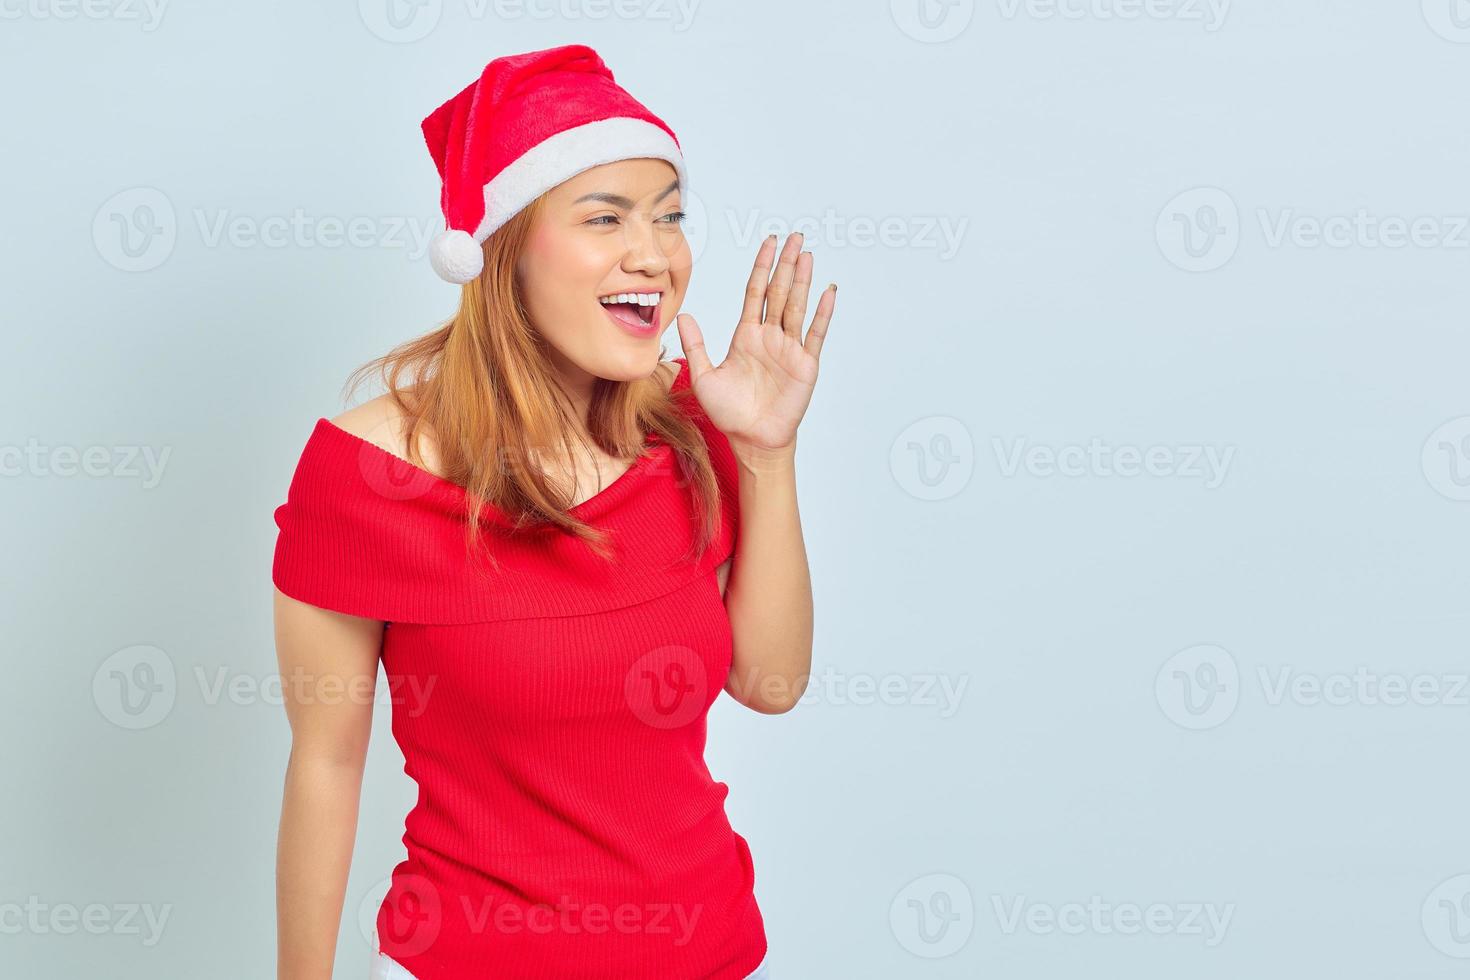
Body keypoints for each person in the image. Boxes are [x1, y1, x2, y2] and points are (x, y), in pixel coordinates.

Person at [270, 43, 836, 979]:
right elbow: (327, 765)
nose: (652, 253)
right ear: (502, 249)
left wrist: (767, 455)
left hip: (714, 955)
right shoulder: (365, 473)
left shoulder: (695, 425)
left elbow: (769, 684)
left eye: (669, 216)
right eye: (605, 216)